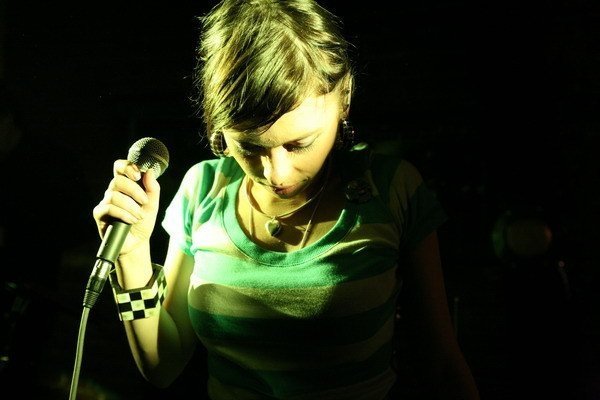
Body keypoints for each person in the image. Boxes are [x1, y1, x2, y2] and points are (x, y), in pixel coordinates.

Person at [92, 1, 480, 399]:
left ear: (344, 96)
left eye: (299, 144)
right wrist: (131, 255)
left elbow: (442, 365)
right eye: (249, 147)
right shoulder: (202, 189)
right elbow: (162, 365)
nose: (276, 173)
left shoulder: (392, 190)